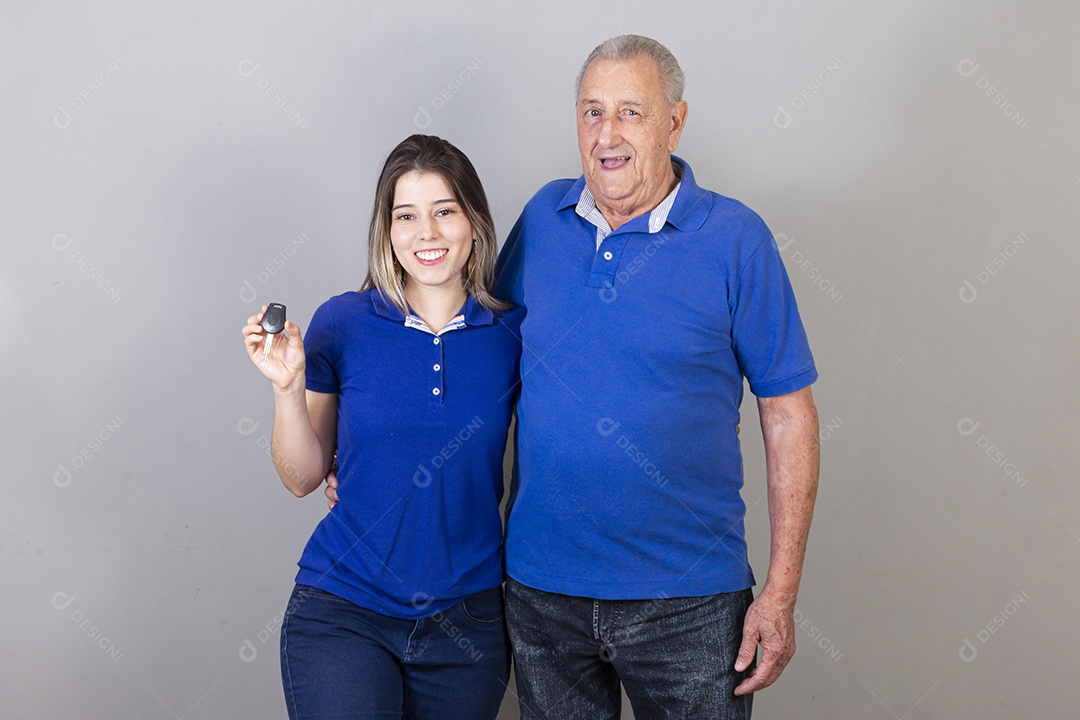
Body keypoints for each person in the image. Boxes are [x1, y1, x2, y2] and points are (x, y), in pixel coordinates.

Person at [492, 35, 821, 719]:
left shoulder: (736, 239)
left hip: (690, 603)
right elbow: (481, 365)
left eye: (630, 113)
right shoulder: (543, 221)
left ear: (675, 121)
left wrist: (781, 593)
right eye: (592, 112)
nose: (607, 134)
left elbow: (788, 414)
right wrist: (375, 457)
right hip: (543, 593)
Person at [243, 134, 523, 720]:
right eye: (406, 216)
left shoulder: (512, 334)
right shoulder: (342, 322)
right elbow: (302, 478)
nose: (427, 233)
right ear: (387, 230)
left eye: (444, 211)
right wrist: (287, 389)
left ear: (474, 222)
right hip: (346, 611)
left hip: (467, 624)